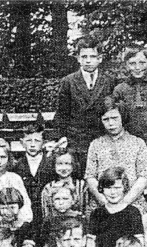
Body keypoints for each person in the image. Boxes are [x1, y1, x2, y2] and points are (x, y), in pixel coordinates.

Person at [52, 36, 117, 174]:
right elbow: (62, 112)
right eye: (84, 56)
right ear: (78, 58)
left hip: (101, 137)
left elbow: (113, 112)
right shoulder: (68, 81)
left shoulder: (109, 81)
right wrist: (62, 137)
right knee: (79, 174)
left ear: (100, 58)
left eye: (93, 56)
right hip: (76, 140)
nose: (88, 60)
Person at [85, 107, 147, 214]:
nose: (111, 123)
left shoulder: (138, 143)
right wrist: (105, 202)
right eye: (105, 119)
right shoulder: (95, 144)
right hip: (102, 202)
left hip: (132, 202)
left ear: (123, 118)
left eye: (115, 118)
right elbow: (90, 176)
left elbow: (144, 176)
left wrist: (124, 203)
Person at [87, 167, 145, 247]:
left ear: (125, 188)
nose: (113, 192)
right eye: (108, 188)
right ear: (102, 189)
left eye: (117, 188)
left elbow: (139, 244)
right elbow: (90, 244)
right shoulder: (97, 213)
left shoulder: (133, 213)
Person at [111, 44, 147, 145]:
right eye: (132, 63)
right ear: (126, 65)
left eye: (142, 63)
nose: (137, 67)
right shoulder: (120, 89)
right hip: (128, 141)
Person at [12, 124, 56, 228]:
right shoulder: (16, 166)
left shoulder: (51, 164)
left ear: (44, 143)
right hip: (25, 214)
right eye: (28, 141)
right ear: (22, 143)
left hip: (47, 212)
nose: (32, 145)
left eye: (37, 141)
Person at [41, 149, 88, 218]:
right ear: (53, 165)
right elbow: (46, 213)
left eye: (67, 164)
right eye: (59, 164)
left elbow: (86, 210)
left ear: (73, 165)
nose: (63, 168)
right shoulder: (48, 188)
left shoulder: (82, 186)